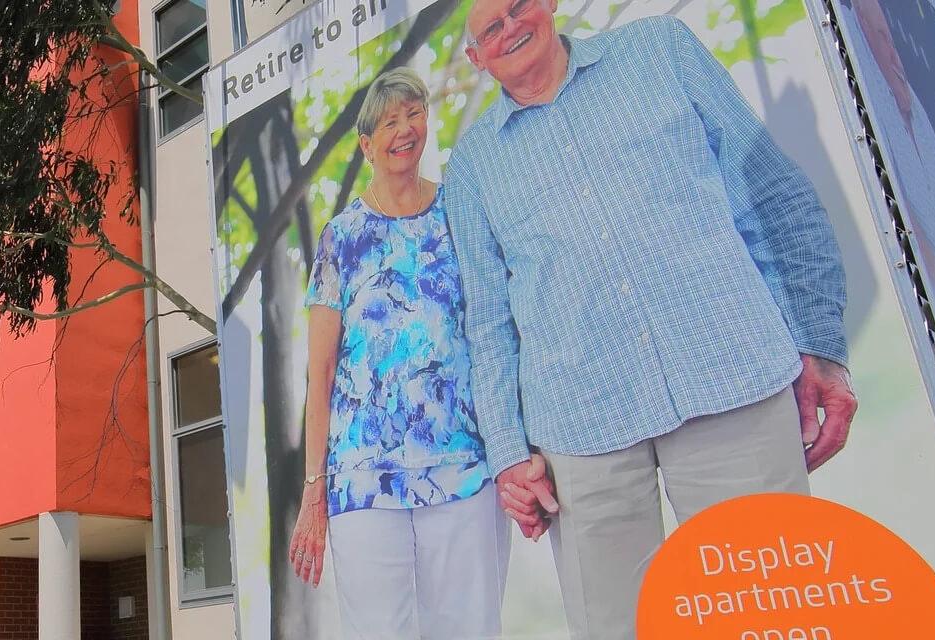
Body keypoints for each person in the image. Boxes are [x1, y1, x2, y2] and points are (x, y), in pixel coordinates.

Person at [442, 1, 859, 638]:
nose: (511, 29)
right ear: (476, 58)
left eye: (518, 6)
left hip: (732, 379)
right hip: (580, 429)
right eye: (489, 29)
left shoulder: (660, 51)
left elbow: (770, 192)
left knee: (778, 611)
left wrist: (819, 343)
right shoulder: (472, 165)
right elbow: (488, 322)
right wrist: (506, 454)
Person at [287, 66, 512, 640]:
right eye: (389, 121)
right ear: (366, 145)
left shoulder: (459, 213)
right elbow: (321, 372)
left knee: (470, 629)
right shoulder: (342, 238)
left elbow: (492, 329)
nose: (404, 129)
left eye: (414, 114)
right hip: (364, 477)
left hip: (462, 466)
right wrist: (314, 490)